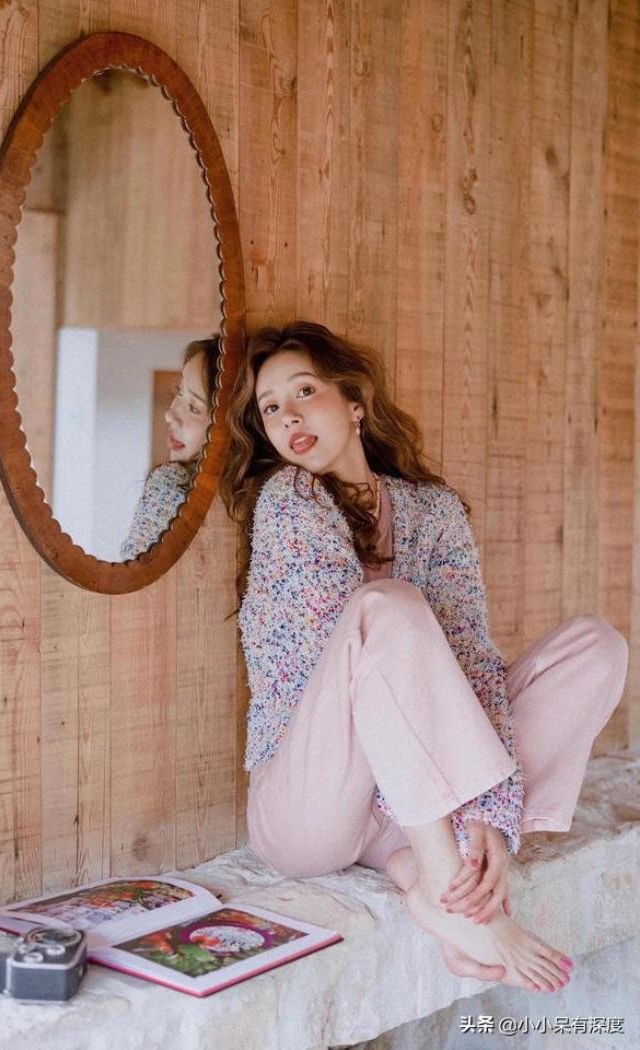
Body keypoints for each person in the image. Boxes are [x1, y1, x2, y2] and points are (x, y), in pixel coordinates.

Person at [218, 320, 629, 993]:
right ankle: (445, 878)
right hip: (312, 804)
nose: (287, 416)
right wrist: (461, 815)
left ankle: (422, 879)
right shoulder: (289, 504)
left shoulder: (433, 512)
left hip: (413, 802)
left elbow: (473, 662)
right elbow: (365, 689)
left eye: (304, 391)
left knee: (596, 647)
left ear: (354, 403)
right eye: (270, 408)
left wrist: (491, 814)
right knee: (387, 609)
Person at [121, 336, 219, 560]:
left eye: (193, 407)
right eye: (178, 391)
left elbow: (136, 570)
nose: (169, 414)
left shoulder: (170, 481)